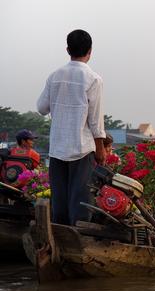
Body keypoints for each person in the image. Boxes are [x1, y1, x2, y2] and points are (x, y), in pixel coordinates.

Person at [37, 29, 106, 226]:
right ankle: (79, 240)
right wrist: (100, 148)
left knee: (60, 198)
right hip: (82, 148)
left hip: (58, 147)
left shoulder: (55, 76)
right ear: (90, 51)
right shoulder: (93, 79)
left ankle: (59, 235)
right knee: (81, 199)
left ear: (68, 49)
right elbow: (95, 119)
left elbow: (42, 108)